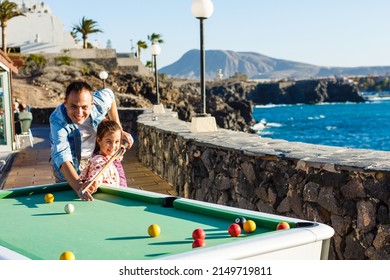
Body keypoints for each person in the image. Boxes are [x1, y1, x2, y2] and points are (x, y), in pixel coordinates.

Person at [49, 81, 133, 201]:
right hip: (69, 166)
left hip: (95, 159)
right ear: (65, 103)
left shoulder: (100, 102)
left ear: (92, 104)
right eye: (73, 106)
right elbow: (61, 155)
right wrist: (79, 187)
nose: (79, 113)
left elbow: (110, 95)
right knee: (71, 197)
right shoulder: (57, 119)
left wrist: (119, 130)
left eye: (84, 107)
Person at [79, 120, 127, 193]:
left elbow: (116, 158)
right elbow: (97, 174)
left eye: (117, 141)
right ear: (99, 140)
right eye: (109, 141)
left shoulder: (111, 156)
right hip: (109, 199)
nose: (113, 146)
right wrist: (93, 184)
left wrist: (119, 153)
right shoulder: (98, 161)